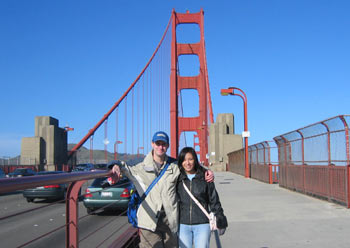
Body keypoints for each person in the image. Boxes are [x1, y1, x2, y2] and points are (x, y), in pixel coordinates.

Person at [108, 131, 214, 248]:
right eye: (157, 143)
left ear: (167, 146)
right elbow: (124, 167)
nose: (160, 147)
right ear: (152, 144)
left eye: (163, 144)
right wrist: (115, 165)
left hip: (170, 220)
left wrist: (206, 171)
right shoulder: (140, 167)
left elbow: (191, 167)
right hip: (149, 221)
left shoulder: (174, 165)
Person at [177, 147, 228, 248]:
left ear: (195, 160)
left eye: (190, 159)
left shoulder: (205, 177)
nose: (187, 163)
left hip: (202, 224)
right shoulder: (177, 178)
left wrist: (220, 218)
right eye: (184, 160)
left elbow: (214, 200)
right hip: (183, 224)